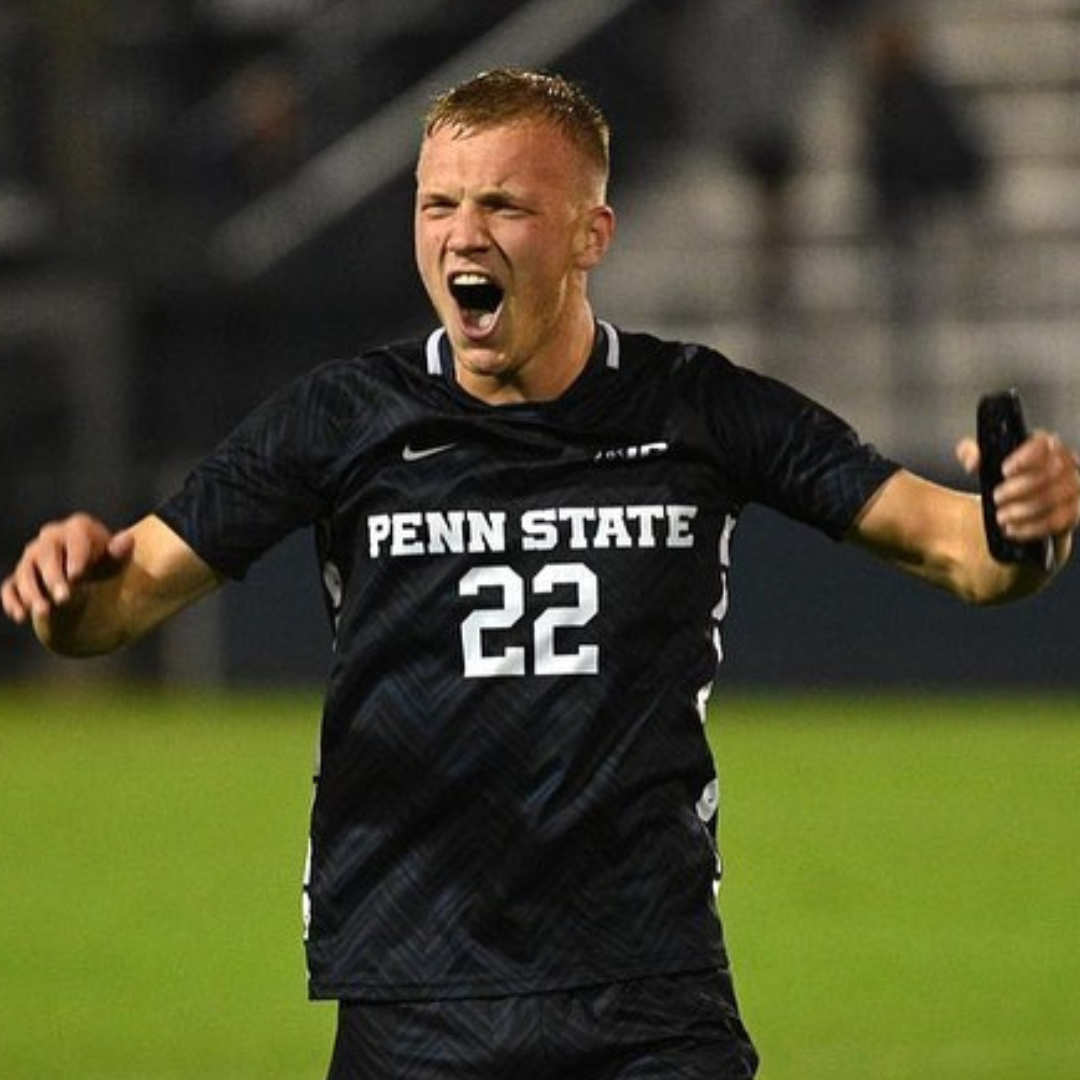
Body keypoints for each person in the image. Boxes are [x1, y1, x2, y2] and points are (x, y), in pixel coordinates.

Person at [3, 68, 1078, 1080]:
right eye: (438, 206)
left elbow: (965, 553)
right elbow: (113, 604)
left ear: (590, 233)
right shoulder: (343, 420)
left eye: (505, 206)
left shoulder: (694, 408)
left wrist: (1024, 527)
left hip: (649, 992)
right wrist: (64, 589)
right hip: (414, 990)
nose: (463, 235)